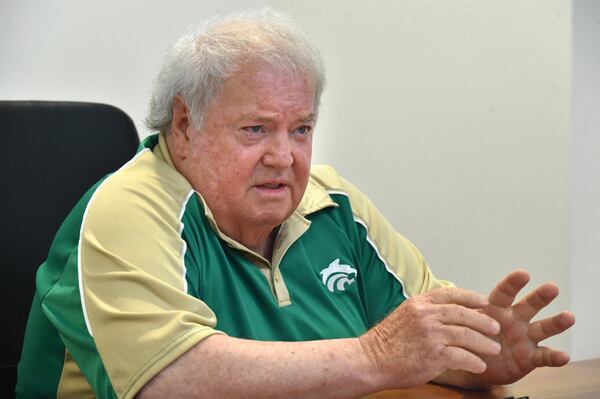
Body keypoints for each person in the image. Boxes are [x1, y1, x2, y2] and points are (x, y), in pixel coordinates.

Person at [17, 9, 574, 399]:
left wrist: (478, 359)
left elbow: (421, 342)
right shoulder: (129, 207)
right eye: (256, 129)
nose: (284, 157)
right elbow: (170, 381)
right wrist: (376, 356)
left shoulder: (333, 203)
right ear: (185, 125)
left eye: (301, 129)